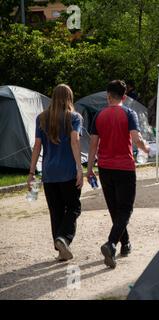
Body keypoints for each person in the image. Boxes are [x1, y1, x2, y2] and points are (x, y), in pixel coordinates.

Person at [87, 80, 149, 269]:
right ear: (124, 97)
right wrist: (146, 148)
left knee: (115, 209)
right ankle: (111, 243)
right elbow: (136, 138)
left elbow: (93, 145)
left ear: (108, 95)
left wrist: (89, 169)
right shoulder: (129, 113)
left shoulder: (98, 115)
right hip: (124, 167)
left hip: (104, 167)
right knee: (125, 209)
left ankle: (125, 243)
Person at [28, 84, 83, 262]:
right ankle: (64, 238)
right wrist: (79, 167)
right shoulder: (74, 117)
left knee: (56, 210)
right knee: (74, 207)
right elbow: (75, 141)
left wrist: (31, 172)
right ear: (69, 98)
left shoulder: (41, 118)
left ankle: (60, 248)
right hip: (67, 171)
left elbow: (37, 146)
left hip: (49, 173)